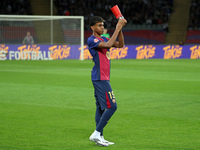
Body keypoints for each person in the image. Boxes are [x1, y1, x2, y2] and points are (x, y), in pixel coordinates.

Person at [87, 16, 127, 147]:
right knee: (112, 106)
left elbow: (120, 45)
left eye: (103, 25)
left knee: (100, 107)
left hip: (103, 77)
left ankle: (100, 137)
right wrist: (117, 27)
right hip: (100, 78)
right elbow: (109, 45)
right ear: (93, 27)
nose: (102, 27)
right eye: (99, 25)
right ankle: (97, 133)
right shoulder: (92, 40)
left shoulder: (103, 38)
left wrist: (120, 30)